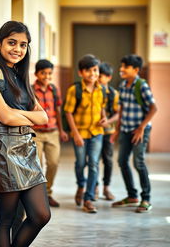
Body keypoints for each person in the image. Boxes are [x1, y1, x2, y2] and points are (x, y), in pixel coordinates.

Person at [0, 21, 51, 247]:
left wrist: (16, 114)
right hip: (4, 150)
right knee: (6, 220)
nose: (17, 49)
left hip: (26, 148)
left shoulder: (19, 75)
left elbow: (44, 118)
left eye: (23, 44)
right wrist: (27, 116)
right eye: (12, 43)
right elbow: (5, 117)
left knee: (41, 215)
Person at [111, 54, 157, 213]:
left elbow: (153, 108)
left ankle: (146, 198)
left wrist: (141, 128)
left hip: (140, 131)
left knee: (139, 162)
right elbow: (122, 108)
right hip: (125, 130)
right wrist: (117, 129)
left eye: (125, 67)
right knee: (122, 161)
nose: (121, 69)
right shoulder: (123, 85)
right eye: (121, 66)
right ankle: (132, 196)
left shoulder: (142, 85)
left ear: (136, 70)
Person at [64, 54, 107, 213]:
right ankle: (81, 185)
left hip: (97, 133)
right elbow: (68, 112)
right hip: (80, 133)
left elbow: (102, 107)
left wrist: (104, 118)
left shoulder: (101, 89)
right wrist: (75, 134)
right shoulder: (74, 90)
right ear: (81, 73)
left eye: (95, 70)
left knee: (94, 164)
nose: (92, 74)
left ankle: (88, 198)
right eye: (88, 71)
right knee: (81, 163)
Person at [32, 59, 68, 207]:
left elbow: (58, 111)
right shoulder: (31, 90)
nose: (46, 76)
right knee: (37, 164)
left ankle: (47, 193)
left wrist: (61, 130)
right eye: (43, 73)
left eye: (49, 73)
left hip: (52, 132)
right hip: (36, 133)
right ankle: (37, 196)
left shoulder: (54, 90)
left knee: (53, 163)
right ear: (36, 74)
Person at [95, 62, 119, 201]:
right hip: (95, 132)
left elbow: (118, 113)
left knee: (108, 160)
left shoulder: (113, 94)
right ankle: (95, 187)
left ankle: (106, 187)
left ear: (108, 77)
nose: (98, 79)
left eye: (101, 76)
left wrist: (108, 122)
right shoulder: (93, 91)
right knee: (94, 161)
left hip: (108, 131)